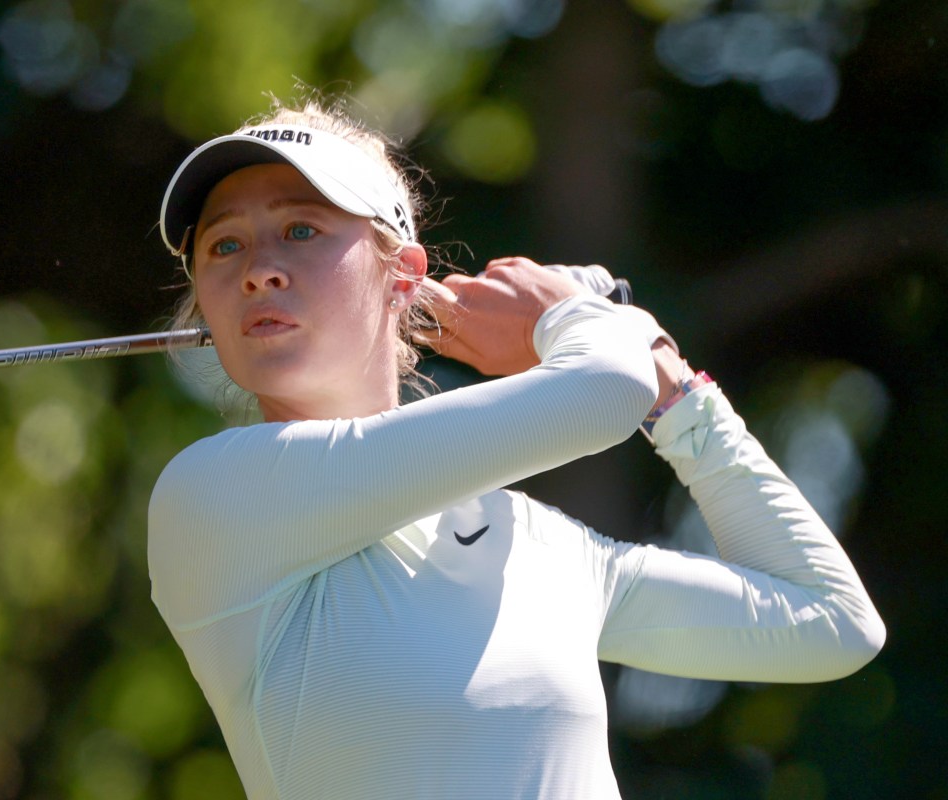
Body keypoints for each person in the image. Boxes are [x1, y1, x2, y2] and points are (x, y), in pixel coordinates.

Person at [146, 97, 885, 799]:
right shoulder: (214, 496)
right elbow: (602, 386)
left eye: (301, 230)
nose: (258, 270)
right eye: (224, 245)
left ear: (403, 277)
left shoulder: (540, 547)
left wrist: (679, 401)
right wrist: (571, 319)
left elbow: (830, 624)